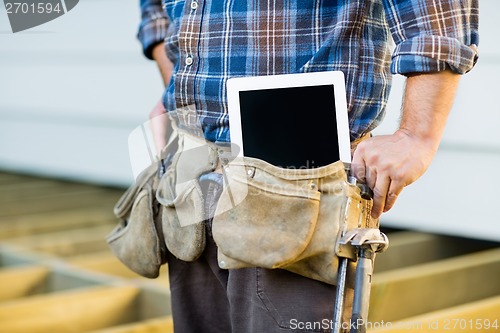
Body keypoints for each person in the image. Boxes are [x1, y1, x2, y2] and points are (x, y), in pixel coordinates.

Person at [136, 1, 479, 332]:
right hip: (189, 174)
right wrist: (176, 87)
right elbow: (154, 11)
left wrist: (417, 136)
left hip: (298, 184)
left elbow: (436, 13)